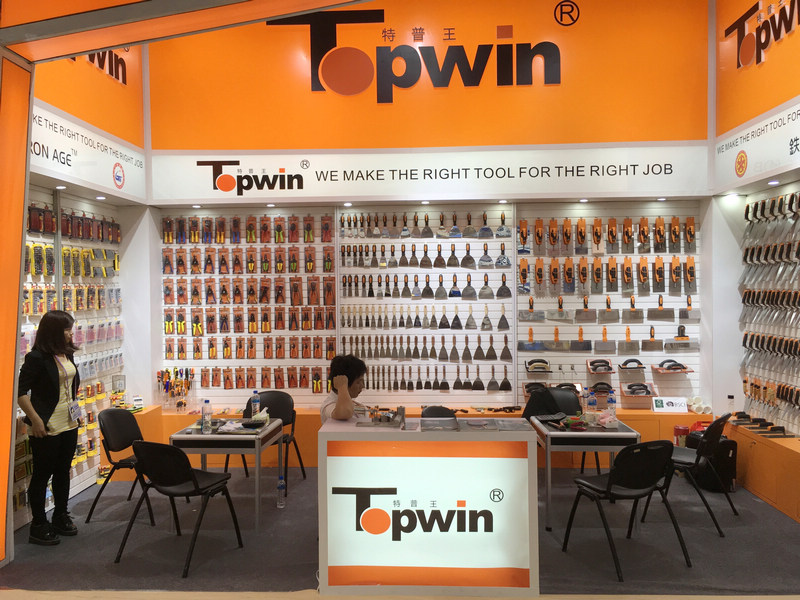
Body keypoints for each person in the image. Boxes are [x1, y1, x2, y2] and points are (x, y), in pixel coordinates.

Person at [17, 310, 81, 545]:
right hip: (47, 425)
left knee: (63, 470)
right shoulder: (36, 358)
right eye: (67, 329)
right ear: (54, 331)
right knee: (42, 474)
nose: (71, 333)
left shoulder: (66, 353)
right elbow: (20, 392)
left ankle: (60, 515)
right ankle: (38, 524)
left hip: (69, 422)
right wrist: (35, 420)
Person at [320, 354, 366, 422]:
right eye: (358, 382)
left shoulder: (354, 403)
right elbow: (345, 412)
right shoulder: (329, 406)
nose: (363, 386)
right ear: (345, 381)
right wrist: (342, 386)